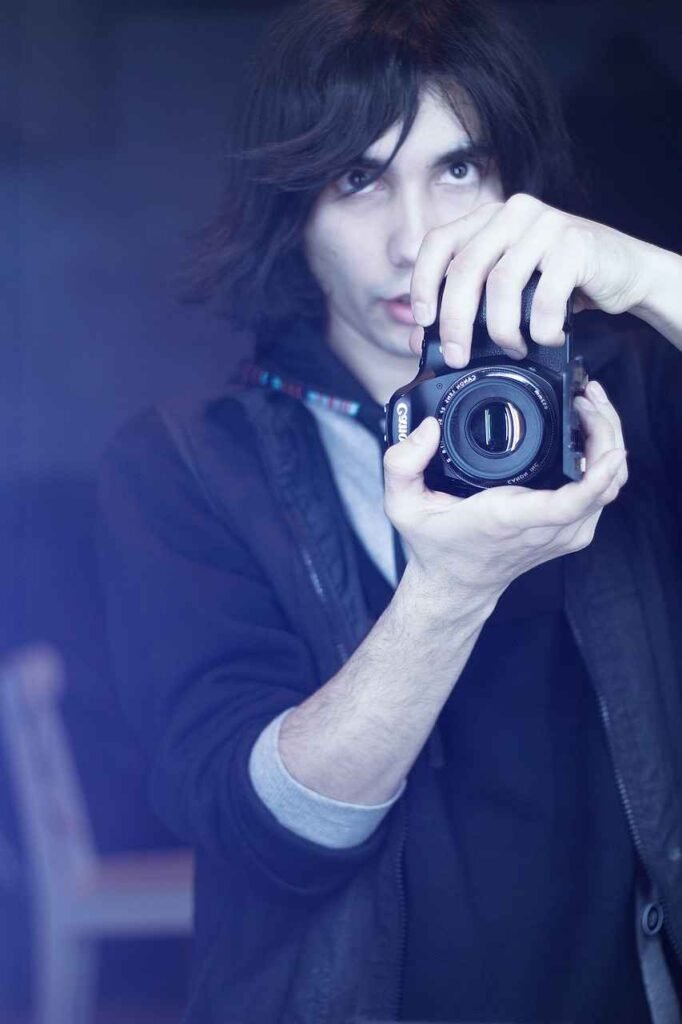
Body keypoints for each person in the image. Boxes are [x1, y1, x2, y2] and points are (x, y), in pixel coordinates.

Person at [97, 1, 682, 1021]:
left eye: (457, 169)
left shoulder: (623, 390)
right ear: (292, 206)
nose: (415, 242)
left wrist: (645, 277)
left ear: (514, 185)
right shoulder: (188, 463)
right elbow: (264, 834)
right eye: (358, 178)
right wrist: (447, 593)